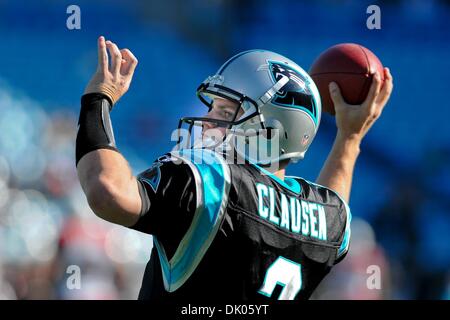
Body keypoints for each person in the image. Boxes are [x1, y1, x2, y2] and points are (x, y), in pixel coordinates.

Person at [76, 36, 393, 300]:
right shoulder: (328, 217)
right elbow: (332, 206)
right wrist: (350, 138)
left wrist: (97, 100)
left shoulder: (213, 177)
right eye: (213, 106)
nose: (209, 121)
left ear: (271, 129)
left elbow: (106, 191)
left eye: (226, 110)